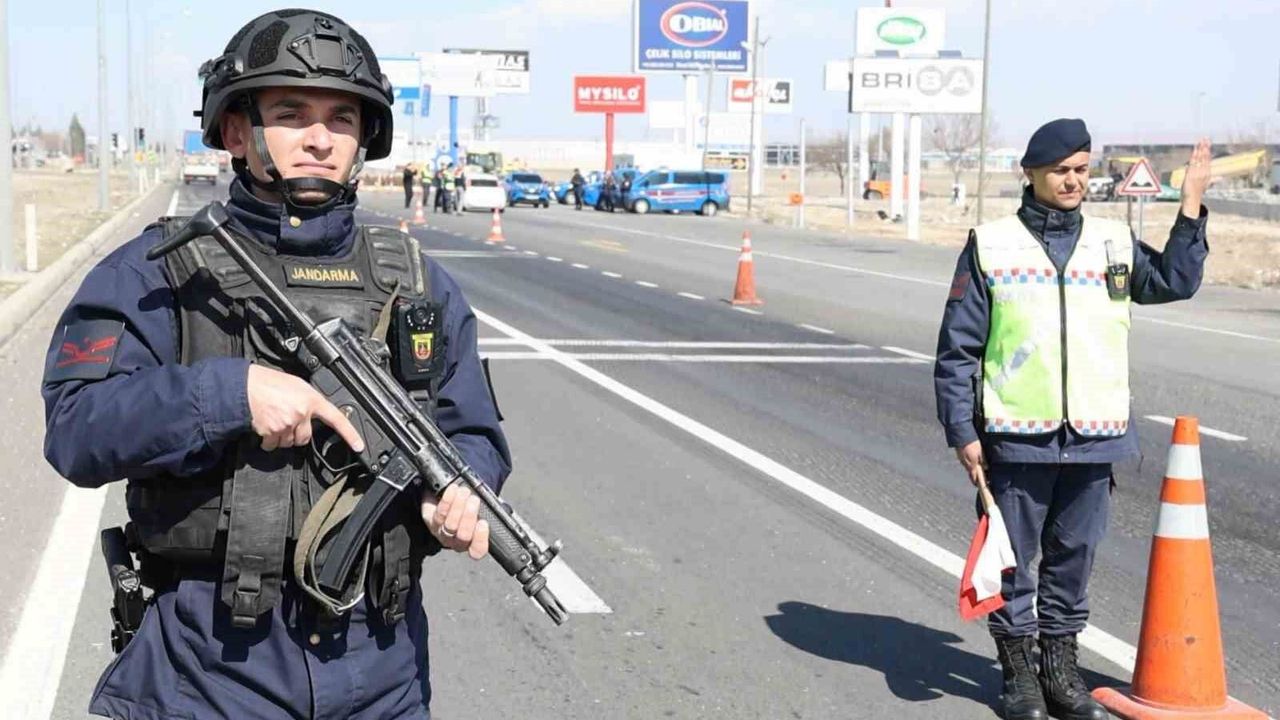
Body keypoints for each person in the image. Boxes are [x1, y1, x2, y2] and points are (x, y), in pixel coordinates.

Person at [41, 9, 511, 719]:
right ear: (237, 132)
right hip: (205, 671)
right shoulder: (157, 271)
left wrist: (456, 498)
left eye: (342, 118)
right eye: (292, 114)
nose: (321, 138)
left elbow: (472, 433)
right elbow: (76, 430)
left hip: (383, 675)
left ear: (365, 138)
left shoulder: (418, 283)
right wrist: (229, 394)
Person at [933, 118, 1211, 720]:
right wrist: (962, 431)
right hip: (1016, 437)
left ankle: (1060, 674)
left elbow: (1174, 281)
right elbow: (957, 348)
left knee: (1073, 560)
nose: (1072, 181)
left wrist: (1190, 209)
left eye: (1081, 170)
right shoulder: (992, 244)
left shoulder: (1112, 241)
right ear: (1030, 173)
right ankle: (1019, 677)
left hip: (1095, 434)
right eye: (1060, 170)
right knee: (1012, 562)